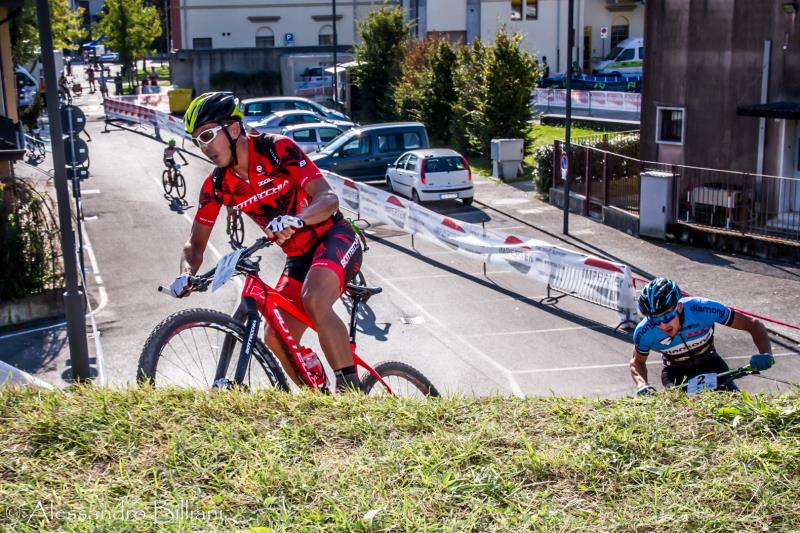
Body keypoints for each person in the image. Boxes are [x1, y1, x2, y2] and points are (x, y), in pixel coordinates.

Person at [168, 92, 364, 391]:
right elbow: (195, 244)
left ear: (234, 129)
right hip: (298, 257)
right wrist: (185, 274)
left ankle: (352, 398)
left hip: (332, 237)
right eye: (197, 140)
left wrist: (298, 219)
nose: (204, 147)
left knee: (314, 298)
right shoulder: (218, 184)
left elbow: (328, 198)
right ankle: (320, 400)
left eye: (207, 135)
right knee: (275, 335)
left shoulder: (276, 149)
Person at [630, 277, 774, 395]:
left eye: (667, 317)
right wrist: (642, 385)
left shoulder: (703, 309)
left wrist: (766, 353)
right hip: (675, 373)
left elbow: (753, 324)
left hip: (711, 363)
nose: (663, 324)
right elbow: (637, 362)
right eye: (655, 320)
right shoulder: (644, 332)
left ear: (679, 307)